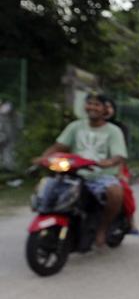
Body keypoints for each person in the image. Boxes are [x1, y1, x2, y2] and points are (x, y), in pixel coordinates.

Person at [34, 93, 127, 248]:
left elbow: (119, 156)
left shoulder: (114, 131)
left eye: (97, 104)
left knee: (115, 192)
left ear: (105, 109)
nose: (92, 107)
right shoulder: (75, 126)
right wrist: (43, 158)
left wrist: (108, 162)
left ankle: (102, 229)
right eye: (89, 103)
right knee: (47, 188)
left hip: (100, 175)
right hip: (74, 173)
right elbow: (59, 146)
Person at [102, 96, 139, 235]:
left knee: (123, 189)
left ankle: (130, 220)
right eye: (103, 106)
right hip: (89, 165)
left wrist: (120, 172)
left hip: (115, 165)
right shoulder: (85, 126)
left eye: (109, 107)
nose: (106, 110)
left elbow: (121, 153)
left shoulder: (119, 128)